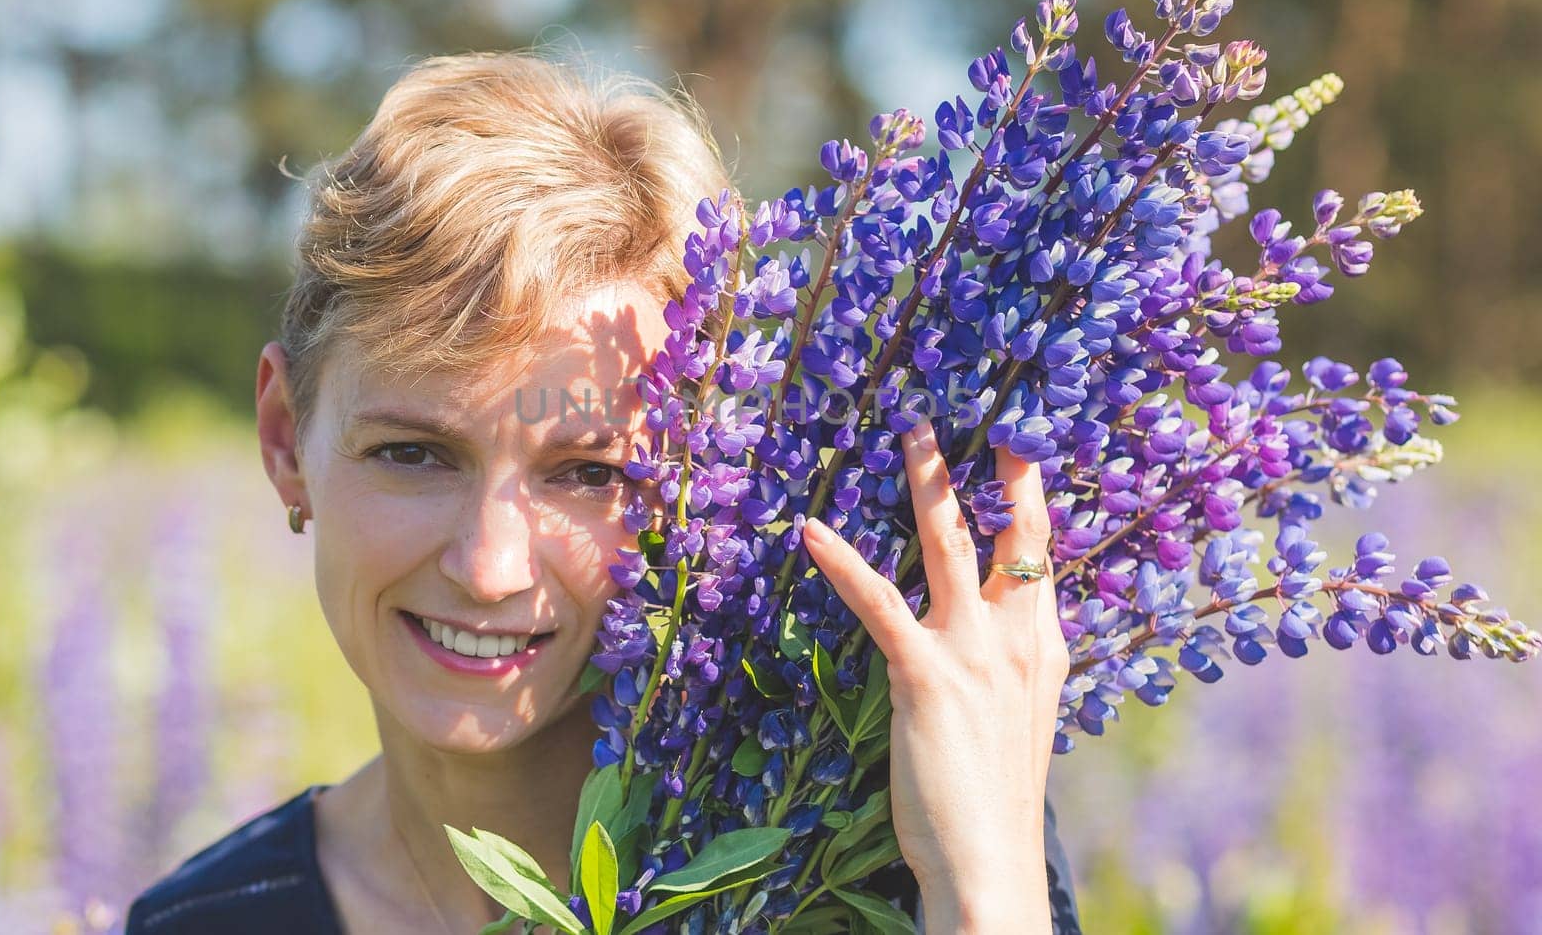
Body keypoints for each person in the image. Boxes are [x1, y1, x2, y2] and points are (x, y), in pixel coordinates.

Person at [123, 51, 1084, 934]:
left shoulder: (895, 864)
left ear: (708, 479)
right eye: (414, 453)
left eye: (590, 472)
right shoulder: (205, 920)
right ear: (286, 439)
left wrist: (988, 887)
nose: (490, 567)